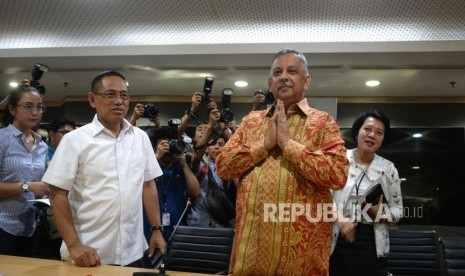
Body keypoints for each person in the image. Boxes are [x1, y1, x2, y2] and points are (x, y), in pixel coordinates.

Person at [216, 48, 349, 275]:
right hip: (250, 262)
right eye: (278, 72)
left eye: (292, 71)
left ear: (306, 81)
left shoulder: (322, 122)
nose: (284, 76)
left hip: (303, 264)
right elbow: (223, 167)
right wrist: (264, 146)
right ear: (270, 83)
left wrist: (289, 145)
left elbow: (337, 174)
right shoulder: (251, 123)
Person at [42, 71, 166, 267]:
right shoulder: (74, 140)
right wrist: (74, 245)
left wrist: (156, 229)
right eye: (110, 94)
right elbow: (57, 193)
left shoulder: (140, 138)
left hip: (133, 251)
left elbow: (148, 185)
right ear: (92, 99)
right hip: (89, 252)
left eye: (124, 95)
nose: (119, 101)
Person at [329, 110, 403, 276]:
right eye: (367, 129)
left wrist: (381, 215)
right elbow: (324, 198)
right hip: (337, 237)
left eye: (379, 133)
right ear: (357, 132)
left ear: (383, 139)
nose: (372, 135)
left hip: (372, 242)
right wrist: (341, 221)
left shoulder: (388, 168)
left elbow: (398, 210)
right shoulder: (338, 160)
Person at [0, 85, 49, 257]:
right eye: (28, 106)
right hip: (4, 226)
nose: (35, 112)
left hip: (31, 227)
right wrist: (27, 186)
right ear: (12, 109)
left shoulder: (42, 146)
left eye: (39, 107)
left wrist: (45, 193)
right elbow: (31, 185)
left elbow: (40, 184)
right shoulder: (2, 139)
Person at [146, 126, 200, 242]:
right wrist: (156, 157)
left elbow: (195, 192)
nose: (169, 148)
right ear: (155, 147)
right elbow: (138, 183)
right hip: (153, 227)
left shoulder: (180, 168)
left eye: (171, 143)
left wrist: (184, 165)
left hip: (178, 227)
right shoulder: (149, 165)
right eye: (164, 144)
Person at [186, 136, 236, 228]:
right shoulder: (200, 166)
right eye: (213, 144)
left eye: (221, 145)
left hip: (221, 222)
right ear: (206, 149)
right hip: (199, 221)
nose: (217, 147)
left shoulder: (230, 169)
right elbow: (197, 157)